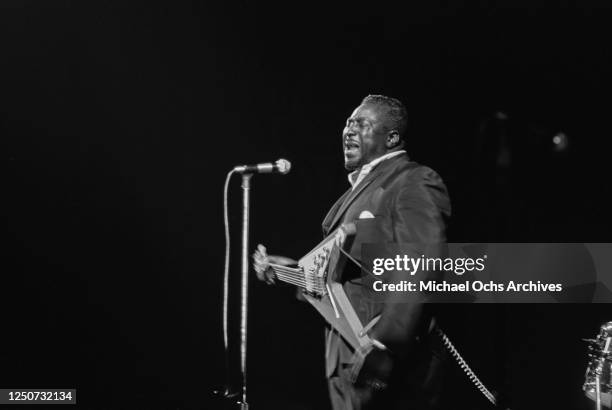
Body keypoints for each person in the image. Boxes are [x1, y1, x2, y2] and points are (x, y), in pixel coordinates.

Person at [253, 95, 452, 410]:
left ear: (392, 137)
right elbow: (340, 280)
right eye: (347, 123)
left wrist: (386, 343)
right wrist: (288, 270)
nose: (349, 130)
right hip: (347, 362)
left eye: (361, 123)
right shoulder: (355, 196)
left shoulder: (411, 180)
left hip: (388, 363)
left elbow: (420, 262)